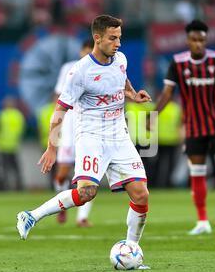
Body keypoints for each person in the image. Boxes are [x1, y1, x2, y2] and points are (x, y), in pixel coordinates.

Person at [16, 15, 152, 247]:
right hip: (91, 138)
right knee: (87, 193)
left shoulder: (120, 59)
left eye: (119, 37)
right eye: (112, 38)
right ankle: (31, 216)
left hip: (119, 135)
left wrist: (132, 94)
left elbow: (122, 80)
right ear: (97, 38)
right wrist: (51, 148)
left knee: (141, 194)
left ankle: (132, 249)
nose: (118, 43)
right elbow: (59, 110)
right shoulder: (80, 72)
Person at [150, 20, 215, 235]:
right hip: (194, 127)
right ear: (188, 40)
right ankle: (202, 221)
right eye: (194, 40)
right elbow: (168, 93)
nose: (198, 44)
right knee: (196, 173)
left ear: (206, 40)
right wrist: (153, 114)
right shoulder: (177, 63)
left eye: (201, 40)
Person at [53, 38, 95, 227]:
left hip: (89, 129)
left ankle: (82, 217)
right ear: (81, 51)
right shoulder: (69, 68)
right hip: (70, 128)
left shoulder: (100, 69)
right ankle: (61, 206)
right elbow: (59, 96)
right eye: (86, 50)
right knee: (62, 174)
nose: (88, 54)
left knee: (88, 177)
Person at [0, 96, 25, 191]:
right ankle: (16, 186)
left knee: (7, 169)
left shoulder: (1, 115)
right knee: (13, 169)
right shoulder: (17, 115)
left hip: (5, 145)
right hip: (9, 145)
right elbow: (21, 129)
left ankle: (9, 187)